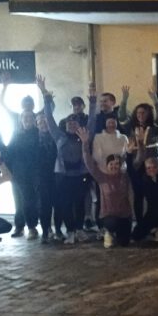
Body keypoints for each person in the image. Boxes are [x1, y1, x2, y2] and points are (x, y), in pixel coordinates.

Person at [44, 82, 93, 244]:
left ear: (79, 126)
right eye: (69, 124)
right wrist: (46, 98)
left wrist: (93, 102)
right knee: (65, 204)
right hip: (63, 177)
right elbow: (49, 118)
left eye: (75, 123)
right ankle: (70, 231)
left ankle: (79, 230)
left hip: (80, 175)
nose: (72, 125)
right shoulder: (59, 136)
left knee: (79, 204)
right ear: (65, 126)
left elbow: (92, 121)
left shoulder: (84, 135)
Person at [77, 127, 133, 248]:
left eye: (117, 164)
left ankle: (119, 234)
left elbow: (136, 162)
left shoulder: (125, 176)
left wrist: (132, 150)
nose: (114, 166)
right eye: (111, 164)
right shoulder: (101, 177)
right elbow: (88, 162)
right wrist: (85, 143)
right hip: (109, 216)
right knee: (111, 223)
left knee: (124, 243)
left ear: (120, 165)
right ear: (107, 166)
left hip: (124, 215)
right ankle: (108, 232)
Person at [4, 110, 41, 239]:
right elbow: (9, 152)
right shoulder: (16, 134)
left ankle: (32, 227)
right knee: (18, 201)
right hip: (17, 173)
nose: (27, 119)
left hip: (33, 173)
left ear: (34, 119)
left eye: (30, 117)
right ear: (21, 119)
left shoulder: (38, 133)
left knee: (29, 201)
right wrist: (7, 171)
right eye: (25, 117)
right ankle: (19, 226)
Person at [34, 113, 58, 244]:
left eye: (45, 121)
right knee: (44, 205)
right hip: (40, 176)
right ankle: (45, 230)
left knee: (58, 203)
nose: (43, 124)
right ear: (37, 125)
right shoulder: (33, 139)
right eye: (40, 122)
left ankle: (58, 230)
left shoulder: (56, 136)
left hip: (56, 174)